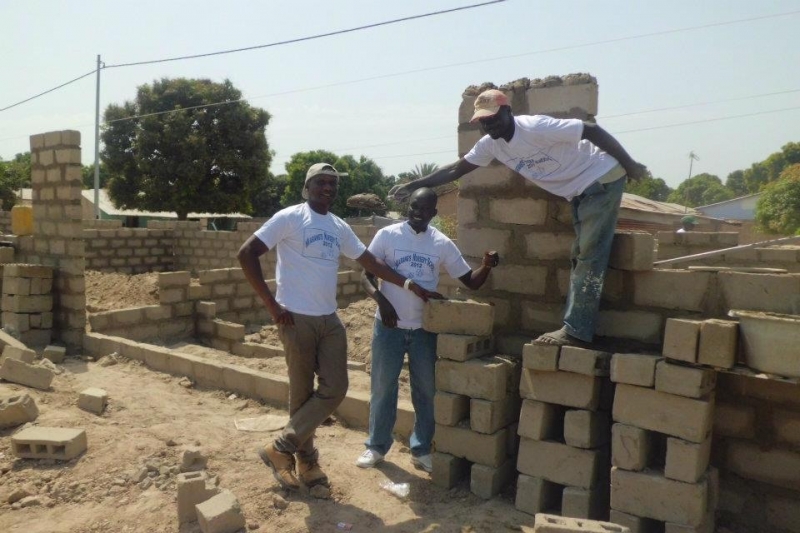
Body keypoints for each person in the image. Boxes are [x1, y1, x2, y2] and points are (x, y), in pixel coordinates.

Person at [389, 88, 648, 347]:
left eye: (493, 118)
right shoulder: (491, 144)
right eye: (483, 121)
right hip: (580, 190)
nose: (489, 125)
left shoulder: (534, 127)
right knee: (580, 255)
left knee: (590, 255)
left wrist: (631, 165)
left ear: (508, 111)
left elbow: (590, 129)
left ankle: (577, 331)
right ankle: (578, 325)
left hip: (601, 177)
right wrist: (413, 185)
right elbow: (457, 168)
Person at [238, 162, 439, 492]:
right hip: (295, 317)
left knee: (336, 388)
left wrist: (409, 284)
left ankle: (280, 447)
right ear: (307, 187)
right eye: (321, 182)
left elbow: (370, 263)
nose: (327, 188)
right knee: (302, 394)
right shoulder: (290, 217)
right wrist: (272, 305)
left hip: (329, 318)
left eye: (332, 183)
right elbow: (247, 253)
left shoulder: (338, 226)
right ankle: (306, 462)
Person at [354, 188, 499, 473]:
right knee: (383, 388)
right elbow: (366, 275)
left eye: (425, 209)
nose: (418, 213)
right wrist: (382, 301)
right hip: (389, 327)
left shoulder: (441, 243)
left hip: (424, 330)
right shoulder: (387, 235)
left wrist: (486, 266)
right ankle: (376, 446)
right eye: (414, 207)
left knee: (426, 391)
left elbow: (471, 281)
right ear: (408, 207)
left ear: (434, 212)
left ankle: (421, 449)